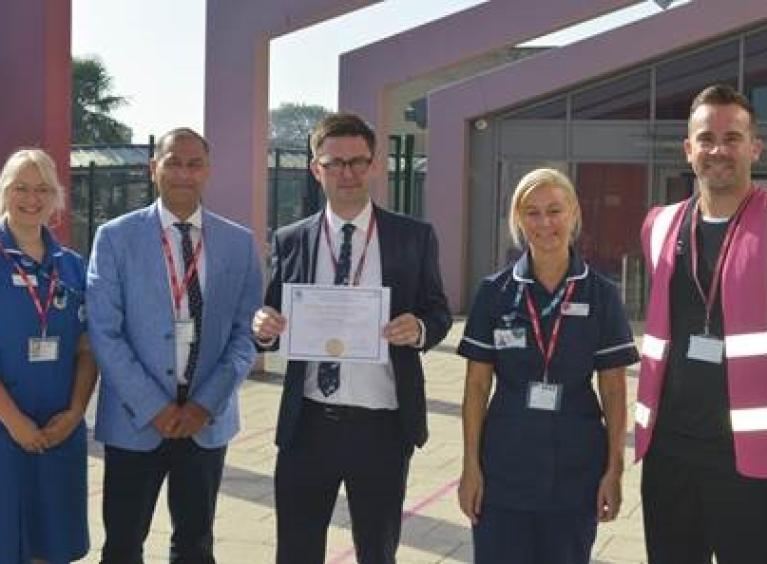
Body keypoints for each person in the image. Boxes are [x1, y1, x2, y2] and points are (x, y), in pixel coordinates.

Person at [252, 112, 452, 564]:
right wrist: (262, 329)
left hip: (381, 426)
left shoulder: (412, 237)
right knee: (297, 552)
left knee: (377, 552)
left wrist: (419, 329)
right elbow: (271, 316)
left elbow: (438, 311)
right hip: (308, 426)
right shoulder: (291, 239)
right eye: (335, 162)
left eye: (358, 162)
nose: (347, 173)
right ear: (315, 168)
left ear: (375, 165)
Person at [86, 127, 262, 564]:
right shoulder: (114, 237)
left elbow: (247, 333)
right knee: (123, 546)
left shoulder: (239, 243)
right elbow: (105, 332)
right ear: (153, 169)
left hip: (207, 421)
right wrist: (153, 406)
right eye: (173, 162)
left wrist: (207, 403)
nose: (184, 173)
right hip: (135, 421)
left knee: (195, 546)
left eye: (194, 163)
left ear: (208, 171)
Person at [457, 168, 638, 563]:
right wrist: (471, 468)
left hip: (575, 471)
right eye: (532, 212)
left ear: (573, 213)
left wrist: (614, 471)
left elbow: (613, 390)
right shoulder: (495, 293)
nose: (545, 223)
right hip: (504, 469)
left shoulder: (601, 294)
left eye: (554, 210)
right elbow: (475, 388)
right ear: (518, 219)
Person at [636, 84, 767, 563]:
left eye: (733, 138)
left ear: (755, 147)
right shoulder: (660, 223)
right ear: (688, 149)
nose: (718, 149)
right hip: (668, 451)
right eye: (706, 138)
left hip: (751, 457)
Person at [0, 149, 97, 563]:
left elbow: (87, 347)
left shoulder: (72, 266)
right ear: (5, 192)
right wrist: (13, 420)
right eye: (21, 187)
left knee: (52, 546)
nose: (31, 198)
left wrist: (76, 412)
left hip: (59, 429)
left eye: (42, 188)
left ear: (55, 196)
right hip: (5, 430)